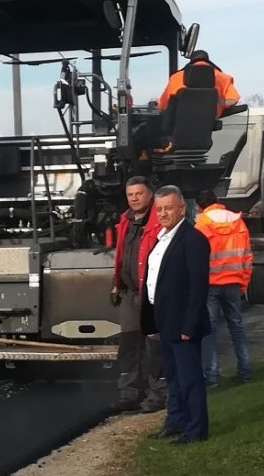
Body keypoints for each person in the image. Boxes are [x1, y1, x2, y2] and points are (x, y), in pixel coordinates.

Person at [141, 185, 211, 445]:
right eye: (159, 209)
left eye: (168, 208)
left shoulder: (193, 240)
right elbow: (153, 281)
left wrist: (189, 324)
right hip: (164, 320)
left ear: (182, 208)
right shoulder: (160, 239)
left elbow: (198, 285)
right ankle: (176, 421)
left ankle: (196, 430)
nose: (163, 213)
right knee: (172, 377)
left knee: (190, 378)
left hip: (183, 322)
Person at [110, 176, 166, 413]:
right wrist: (116, 284)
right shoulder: (126, 221)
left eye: (138, 194)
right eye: (130, 194)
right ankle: (130, 392)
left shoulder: (159, 221)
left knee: (155, 346)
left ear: (150, 195)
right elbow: (121, 255)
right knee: (129, 344)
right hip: (129, 292)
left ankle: (158, 393)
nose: (134, 198)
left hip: (152, 294)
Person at [195, 190, 253, 387]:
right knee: (236, 327)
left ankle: (212, 377)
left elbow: (198, 259)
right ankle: (245, 372)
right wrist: (243, 282)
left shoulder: (201, 224)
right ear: (218, 201)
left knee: (209, 331)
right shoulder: (238, 221)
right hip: (233, 283)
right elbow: (246, 256)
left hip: (210, 285)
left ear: (199, 206)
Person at [157, 49, 240, 117]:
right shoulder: (223, 78)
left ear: (191, 61)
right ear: (208, 61)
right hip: (207, 128)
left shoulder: (175, 78)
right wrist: (218, 101)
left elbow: (161, 106)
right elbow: (232, 100)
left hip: (177, 131)